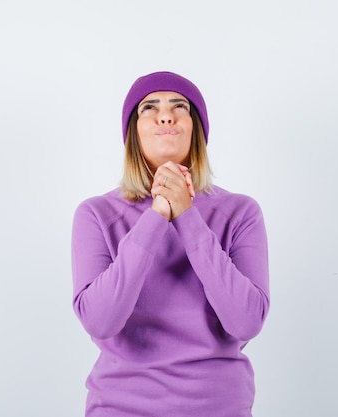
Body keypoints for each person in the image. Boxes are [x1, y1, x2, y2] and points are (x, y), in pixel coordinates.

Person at [70, 71, 270, 417]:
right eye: (150, 107)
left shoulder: (240, 212)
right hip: (121, 408)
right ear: (133, 131)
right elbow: (100, 321)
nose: (166, 114)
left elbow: (247, 322)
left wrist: (187, 216)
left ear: (196, 131)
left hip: (219, 407)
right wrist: (157, 213)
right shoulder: (96, 214)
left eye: (180, 106)